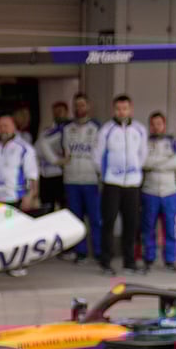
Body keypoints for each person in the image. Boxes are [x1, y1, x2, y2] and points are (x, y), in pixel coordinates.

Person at [93, 95, 148, 276]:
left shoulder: (139, 129)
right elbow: (97, 155)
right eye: (118, 108)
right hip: (112, 183)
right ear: (113, 109)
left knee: (131, 223)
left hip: (132, 184)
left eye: (125, 108)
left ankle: (129, 261)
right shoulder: (106, 130)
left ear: (130, 109)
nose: (121, 112)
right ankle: (105, 261)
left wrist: (134, 172)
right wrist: (105, 174)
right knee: (108, 222)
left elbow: (143, 154)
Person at [49, 93, 102, 265]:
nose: (79, 109)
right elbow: (43, 142)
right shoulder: (65, 127)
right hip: (71, 180)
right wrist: (57, 161)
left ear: (89, 106)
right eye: (76, 105)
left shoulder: (97, 127)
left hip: (91, 180)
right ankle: (81, 252)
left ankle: (99, 251)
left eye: (82, 105)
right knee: (76, 219)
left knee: (95, 218)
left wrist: (100, 170)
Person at [141, 112, 176, 273]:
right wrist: (166, 161)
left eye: (159, 123)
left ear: (164, 125)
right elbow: (143, 162)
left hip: (170, 192)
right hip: (149, 191)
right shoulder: (144, 143)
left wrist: (156, 164)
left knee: (171, 228)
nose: (156, 127)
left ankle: (170, 260)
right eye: (153, 124)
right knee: (148, 228)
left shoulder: (173, 142)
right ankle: (149, 258)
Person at [0, 114, 39, 211]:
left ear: (14, 127)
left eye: (6, 126)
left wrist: (30, 197)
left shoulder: (25, 148)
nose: (2, 129)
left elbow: (32, 176)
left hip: (15, 200)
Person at [34, 101, 69, 214]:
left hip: (60, 174)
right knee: (46, 207)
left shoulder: (69, 129)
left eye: (60, 111)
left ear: (66, 112)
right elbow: (37, 149)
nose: (58, 114)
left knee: (63, 207)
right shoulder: (47, 131)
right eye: (55, 112)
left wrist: (57, 160)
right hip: (45, 174)